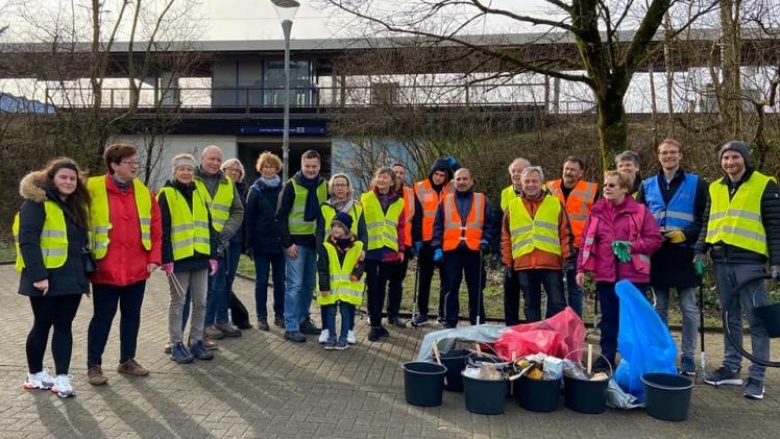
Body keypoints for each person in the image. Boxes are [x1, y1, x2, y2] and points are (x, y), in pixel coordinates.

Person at [696, 141, 780, 400]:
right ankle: (731, 367)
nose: (730, 162)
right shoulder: (715, 187)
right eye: (725, 158)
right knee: (729, 316)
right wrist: (700, 250)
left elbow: (775, 225)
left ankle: (757, 377)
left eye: (734, 157)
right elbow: (707, 221)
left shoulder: (765, 184)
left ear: (744, 159)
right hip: (721, 261)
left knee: (756, 319)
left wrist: (777, 260)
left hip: (751, 263)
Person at [86, 143, 163, 386]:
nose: (135, 167)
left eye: (136, 162)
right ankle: (94, 365)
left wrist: (154, 259)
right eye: (129, 163)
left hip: (136, 268)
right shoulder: (92, 188)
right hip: (105, 268)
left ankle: (127, 359)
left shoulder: (143, 191)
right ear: (114, 165)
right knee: (102, 317)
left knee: (132, 316)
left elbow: (156, 227)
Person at [14, 158, 90, 398]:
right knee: (42, 325)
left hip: (72, 278)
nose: (68, 182)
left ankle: (62, 378)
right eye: (63, 177)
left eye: (72, 178)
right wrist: (38, 276)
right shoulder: (37, 203)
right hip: (45, 279)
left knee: (64, 327)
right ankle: (35, 375)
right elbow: (28, 240)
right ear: (52, 178)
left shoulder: (75, 207)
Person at [576, 170, 662, 372]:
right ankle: (606, 357)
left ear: (625, 189)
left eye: (612, 185)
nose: (606, 188)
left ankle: (631, 360)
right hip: (605, 274)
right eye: (605, 184)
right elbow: (585, 242)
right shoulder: (596, 212)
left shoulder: (640, 212)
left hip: (633, 275)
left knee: (631, 319)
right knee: (609, 318)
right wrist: (581, 268)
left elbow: (654, 239)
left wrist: (633, 246)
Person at [637, 138, 708, 376]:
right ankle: (663, 352)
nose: (668, 157)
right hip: (658, 254)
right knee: (660, 307)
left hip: (685, 253)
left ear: (680, 155)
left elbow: (704, 220)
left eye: (673, 153)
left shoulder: (697, 184)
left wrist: (686, 234)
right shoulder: (646, 185)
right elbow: (639, 220)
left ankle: (688, 356)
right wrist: (652, 234)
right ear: (658, 156)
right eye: (664, 153)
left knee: (688, 308)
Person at [158, 154, 218, 364]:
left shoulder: (200, 192)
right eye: (181, 169)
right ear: (174, 171)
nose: (186, 173)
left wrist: (212, 255)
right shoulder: (166, 194)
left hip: (200, 256)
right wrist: (165, 258)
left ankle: (196, 340)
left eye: (189, 169)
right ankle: (176, 344)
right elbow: (162, 229)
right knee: (179, 302)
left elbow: (209, 225)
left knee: (201, 302)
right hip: (179, 259)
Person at [502, 166, 573, 323]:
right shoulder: (512, 206)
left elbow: (565, 233)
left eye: (535, 181)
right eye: (527, 181)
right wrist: (507, 263)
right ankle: (535, 339)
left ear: (542, 182)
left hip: (550, 263)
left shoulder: (555, 204)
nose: (531, 184)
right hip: (524, 263)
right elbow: (506, 237)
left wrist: (568, 258)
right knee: (530, 305)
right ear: (521, 183)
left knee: (557, 303)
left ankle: (558, 339)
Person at [276, 150, 328, 342]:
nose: (311, 170)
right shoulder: (291, 186)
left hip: (314, 243)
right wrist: (287, 243)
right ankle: (291, 326)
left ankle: (303, 320)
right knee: (294, 286)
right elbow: (280, 217)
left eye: (314, 166)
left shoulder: (324, 186)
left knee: (308, 286)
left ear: (319, 166)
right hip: (295, 245)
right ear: (301, 165)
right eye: (307, 166)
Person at [431, 168, 492, 328]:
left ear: (471, 181)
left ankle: (477, 324)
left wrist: (486, 239)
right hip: (451, 252)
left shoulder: (482, 200)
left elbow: (489, 224)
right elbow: (437, 226)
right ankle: (449, 323)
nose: (461, 182)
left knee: (476, 290)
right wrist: (437, 247)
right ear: (453, 182)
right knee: (450, 289)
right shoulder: (445, 201)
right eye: (458, 179)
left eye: (465, 179)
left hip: (474, 252)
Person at [196, 145, 245, 342]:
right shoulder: (193, 180)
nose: (215, 163)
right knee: (203, 289)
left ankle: (222, 320)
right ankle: (205, 325)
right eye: (212, 159)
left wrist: (227, 231)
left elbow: (237, 210)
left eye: (218, 159)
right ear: (202, 158)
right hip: (198, 244)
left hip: (221, 244)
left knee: (221, 285)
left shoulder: (227, 184)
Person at [316, 173, 367, 344]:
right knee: (327, 293)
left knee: (348, 293)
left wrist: (363, 250)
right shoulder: (325, 207)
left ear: (348, 188)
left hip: (351, 253)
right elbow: (319, 232)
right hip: (329, 252)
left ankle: (349, 331)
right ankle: (325, 329)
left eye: (343, 185)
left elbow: (363, 231)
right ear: (332, 188)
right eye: (336, 185)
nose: (340, 188)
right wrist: (320, 251)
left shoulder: (358, 207)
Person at [547, 156, 599, 317]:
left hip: (577, 246)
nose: (568, 172)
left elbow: (596, 220)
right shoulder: (549, 187)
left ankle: (574, 326)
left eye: (572, 169)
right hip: (553, 244)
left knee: (575, 289)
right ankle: (551, 323)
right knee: (553, 288)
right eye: (566, 168)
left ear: (581, 173)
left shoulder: (592, 190)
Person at [410, 157, 458, 326]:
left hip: (446, 241)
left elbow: (466, 180)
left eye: (442, 175)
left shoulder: (452, 188)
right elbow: (416, 216)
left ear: (447, 176)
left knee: (447, 279)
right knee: (425, 279)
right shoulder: (419, 187)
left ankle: (442, 314)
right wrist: (416, 238)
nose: (438, 178)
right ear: (431, 173)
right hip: (427, 241)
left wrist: (457, 166)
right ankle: (423, 313)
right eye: (436, 174)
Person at [361, 166, 406, 341]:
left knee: (382, 287)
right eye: (379, 177)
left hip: (388, 250)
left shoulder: (399, 202)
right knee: (373, 288)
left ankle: (378, 323)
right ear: (375, 179)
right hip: (371, 250)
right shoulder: (365, 198)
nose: (382, 180)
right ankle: (374, 324)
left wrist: (401, 249)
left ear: (392, 181)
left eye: (386, 177)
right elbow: (361, 224)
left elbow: (401, 227)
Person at [246, 152, 286, 331]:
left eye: (271, 166)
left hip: (279, 244)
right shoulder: (254, 191)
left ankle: (280, 315)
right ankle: (261, 317)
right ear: (260, 169)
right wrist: (249, 245)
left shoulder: (284, 189)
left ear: (277, 168)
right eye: (265, 167)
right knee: (261, 281)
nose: (268, 169)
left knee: (280, 282)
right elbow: (249, 218)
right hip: (261, 244)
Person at [498, 157, 530, 326]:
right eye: (514, 171)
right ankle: (511, 327)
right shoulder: (505, 193)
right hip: (510, 250)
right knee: (510, 292)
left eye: (520, 170)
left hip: (531, 251)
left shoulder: (542, 191)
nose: (516, 174)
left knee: (530, 294)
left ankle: (532, 327)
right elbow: (501, 223)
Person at [221, 158, 252, 330]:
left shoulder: (244, 191)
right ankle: (232, 315)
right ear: (223, 170)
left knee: (228, 279)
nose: (233, 172)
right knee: (220, 281)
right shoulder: (220, 187)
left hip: (236, 240)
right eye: (230, 169)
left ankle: (228, 316)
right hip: (221, 239)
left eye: (237, 170)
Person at [386, 162, 415, 329]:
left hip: (403, 244)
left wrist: (414, 242)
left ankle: (393, 314)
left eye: (401, 173)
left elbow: (416, 218)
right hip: (382, 244)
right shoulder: (379, 192)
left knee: (397, 283)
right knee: (379, 283)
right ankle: (373, 314)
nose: (398, 175)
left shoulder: (410, 194)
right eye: (395, 172)